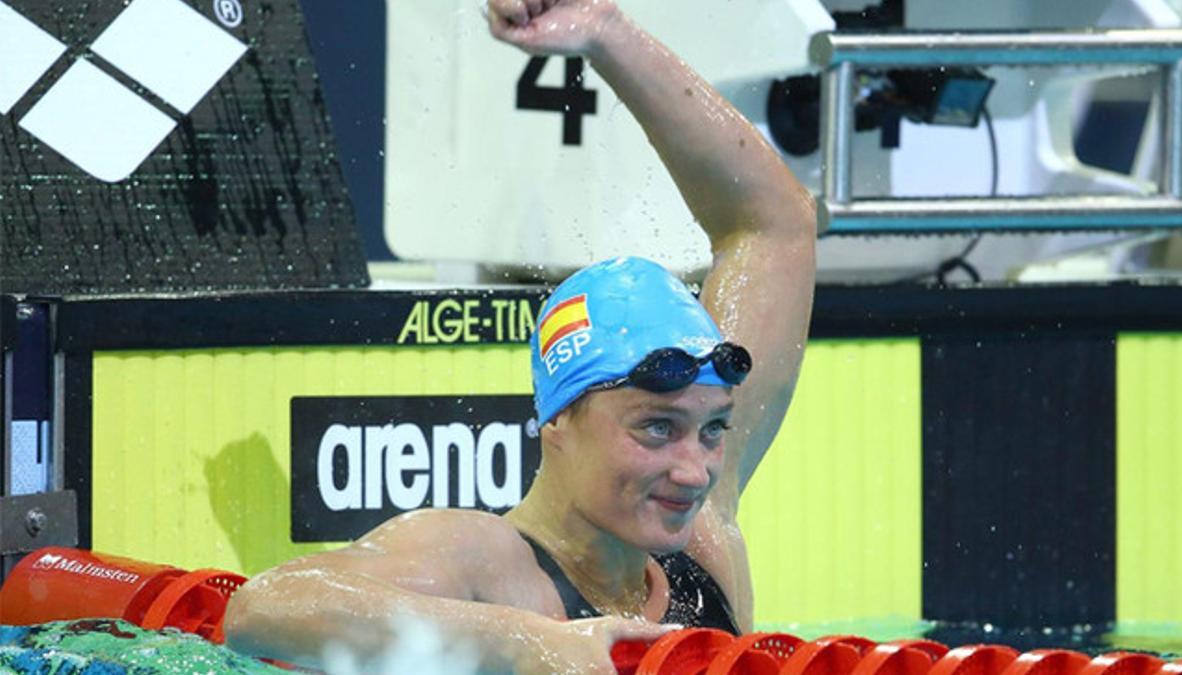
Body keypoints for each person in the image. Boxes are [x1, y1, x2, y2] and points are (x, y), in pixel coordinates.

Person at [223, 0, 816, 671]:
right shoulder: (486, 560)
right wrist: (523, 641)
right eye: (656, 427)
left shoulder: (701, 550)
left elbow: (775, 227)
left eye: (712, 429)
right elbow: (264, 608)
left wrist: (606, 31)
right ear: (559, 416)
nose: (696, 468)